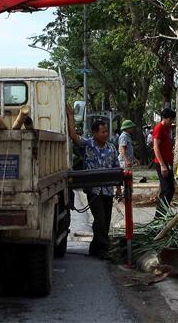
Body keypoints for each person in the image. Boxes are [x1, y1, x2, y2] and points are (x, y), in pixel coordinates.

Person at [65, 105, 120, 258]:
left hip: (108, 190)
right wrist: (70, 116)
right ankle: (103, 249)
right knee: (100, 219)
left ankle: (95, 248)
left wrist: (120, 189)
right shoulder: (87, 145)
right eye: (102, 132)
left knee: (105, 221)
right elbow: (74, 136)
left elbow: (117, 168)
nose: (105, 134)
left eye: (106, 131)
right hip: (94, 190)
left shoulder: (111, 148)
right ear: (95, 133)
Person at [152, 108, 176, 217]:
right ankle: (159, 217)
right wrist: (162, 165)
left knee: (170, 189)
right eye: (170, 119)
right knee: (166, 190)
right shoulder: (159, 128)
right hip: (161, 163)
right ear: (165, 118)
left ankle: (162, 214)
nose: (171, 121)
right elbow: (155, 147)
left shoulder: (167, 129)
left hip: (167, 163)